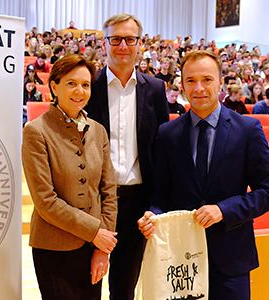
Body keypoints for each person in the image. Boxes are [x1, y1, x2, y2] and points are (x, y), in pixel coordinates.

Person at [138, 50, 269, 300]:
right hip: (181, 259)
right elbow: (162, 194)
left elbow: (268, 193)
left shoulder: (248, 129)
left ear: (221, 83)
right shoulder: (167, 133)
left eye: (207, 79)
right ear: (182, 85)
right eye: (191, 80)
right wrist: (154, 215)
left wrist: (223, 210)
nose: (199, 88)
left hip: (230, 257)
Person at [84, 13, 169, 300]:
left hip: (136, 202)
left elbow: (161, 146)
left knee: (124, 287)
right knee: (87, 281)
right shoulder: (87, 87)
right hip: (92, 201)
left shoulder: (155, 89)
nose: (122, 45)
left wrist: (158, 202)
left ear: (139, 44)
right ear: (104, 43)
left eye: (129, 39)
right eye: (115, 39)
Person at [22, 55, 118, 300]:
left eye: (85, 85)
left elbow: (108, 191)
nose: (80, 91)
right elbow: (46, 201)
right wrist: (95, 232)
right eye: (71, 83)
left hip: (94, 247)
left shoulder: (98, 131)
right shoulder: (36, 131)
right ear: (54, 86)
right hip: (54, 248)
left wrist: (102, 247)